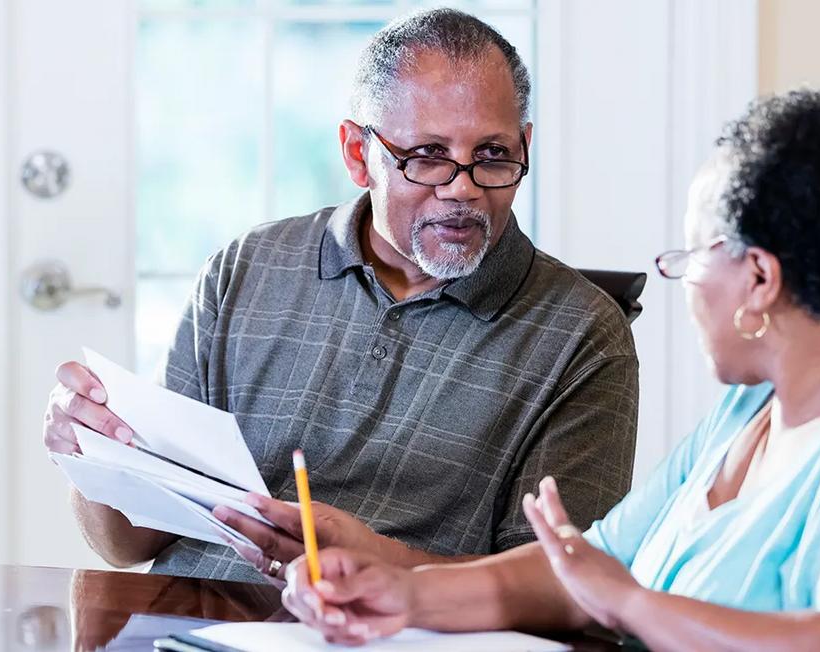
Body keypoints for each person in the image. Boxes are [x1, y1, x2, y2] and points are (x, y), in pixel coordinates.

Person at [282, 87, 820, 649]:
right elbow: (581, 571)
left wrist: (629, 605)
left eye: (688, 256)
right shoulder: (750, 412)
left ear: (759, 278)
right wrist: (402, 594)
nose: (679, 279)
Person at [41, 9, 640, 583]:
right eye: (427, 156)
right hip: (193, 624)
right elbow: (127, 544)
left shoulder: (583, 335)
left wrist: (377, 559)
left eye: (492, 155)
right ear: (359, 154)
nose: (463, 189)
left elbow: (563, 589)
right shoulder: (244, 270)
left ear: (523, 145)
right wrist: (92, 457)